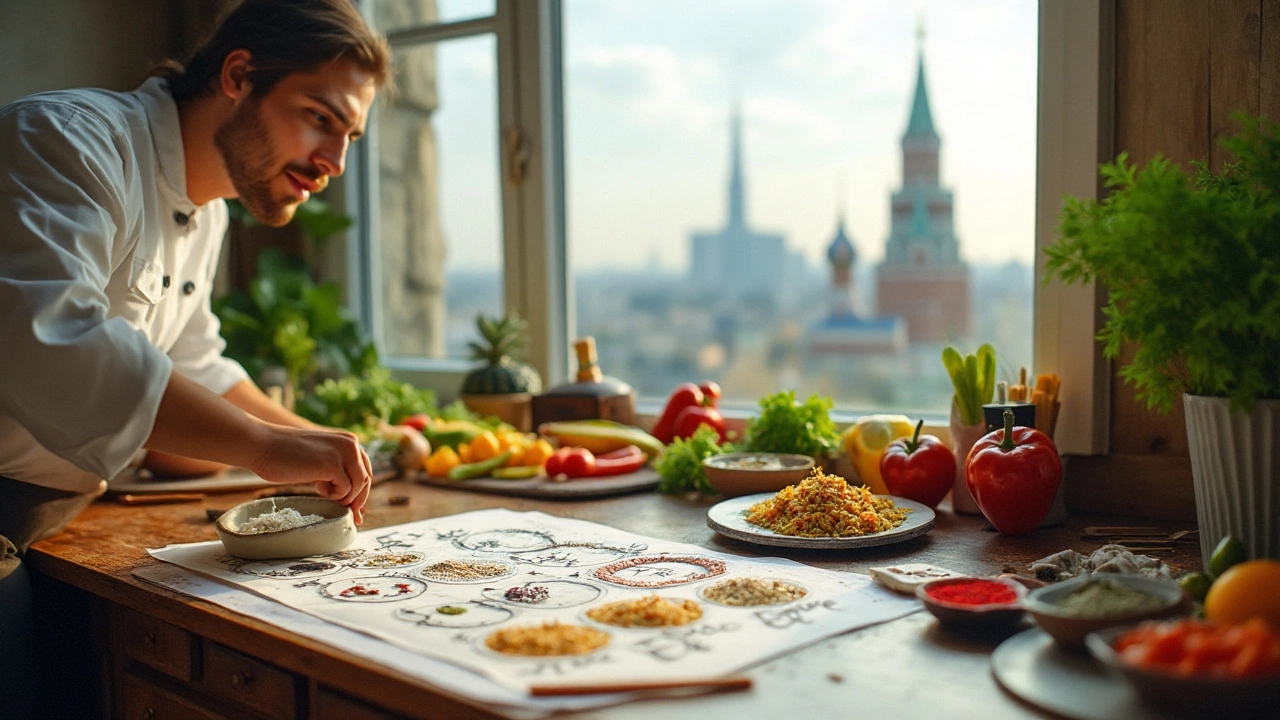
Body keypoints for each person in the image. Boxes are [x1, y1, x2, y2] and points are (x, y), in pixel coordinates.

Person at [0, 1, 392, 713]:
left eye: (349, 136)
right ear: (239, 75)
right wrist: (266, 446)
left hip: (54, 523)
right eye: (319, 117)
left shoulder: (205, 209)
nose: (334, 163)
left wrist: (321, 450)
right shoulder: (66, 138)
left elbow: (195, 360)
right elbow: (50, 342)